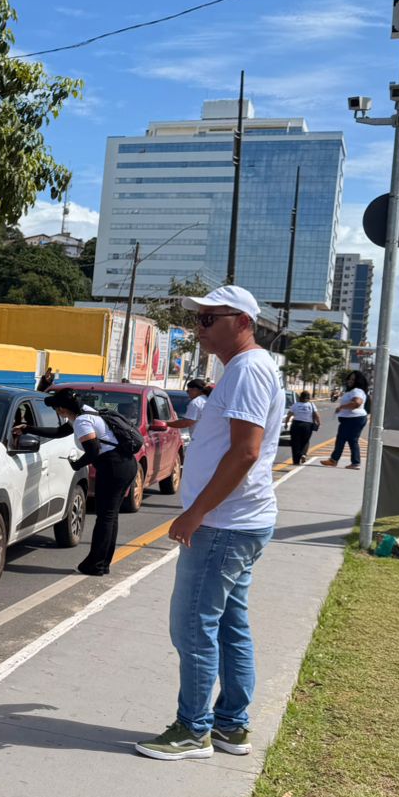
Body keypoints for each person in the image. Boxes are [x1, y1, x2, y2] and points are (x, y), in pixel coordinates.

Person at [137, 285, 284, 762]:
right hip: (238, 521)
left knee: (194, 627)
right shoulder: (248, 369)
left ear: (241, 321)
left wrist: (196, 512)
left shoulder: (247, 370)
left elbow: (245, 451)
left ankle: (193, 729)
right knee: (228, 627)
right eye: (197, 319)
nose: (198, 328)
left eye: (207, 319)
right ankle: (230, 726)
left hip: (223, 524)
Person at [14, 388, 138, 577]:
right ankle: (102, 564)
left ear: (63, 409)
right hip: (125, 464)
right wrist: (27, 428)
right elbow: (58, 432)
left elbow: (93, 450)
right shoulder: (86, 412)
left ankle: (96, 564)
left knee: (106, 517)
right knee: (110, 516)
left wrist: (76, 464)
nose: (57, 413)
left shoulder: (81, 421)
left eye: (57, 409)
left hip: (113, 467)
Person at [322, 371, 369, 470]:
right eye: (349, 378)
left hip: (353, 419)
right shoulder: (353, 391)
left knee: (345, 440)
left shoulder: (357, 390)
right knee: (347, 440)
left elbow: (357, 403)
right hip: (353, 419)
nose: (350, 381)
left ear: (358, 381)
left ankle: (338, 461)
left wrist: (342, 407)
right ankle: (346, 461)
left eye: (353, 379)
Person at [288, 390, 319, 466]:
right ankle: (303, 454)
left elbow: (289, 414)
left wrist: (286, 423)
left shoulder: (295, 405)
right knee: (305, 441)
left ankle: (296, 461)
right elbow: (316, 415)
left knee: (295, 443)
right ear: (308, 398)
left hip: (296, 424)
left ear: (300, 397)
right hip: (307, 425)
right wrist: (319, 423)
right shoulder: (311, 405)